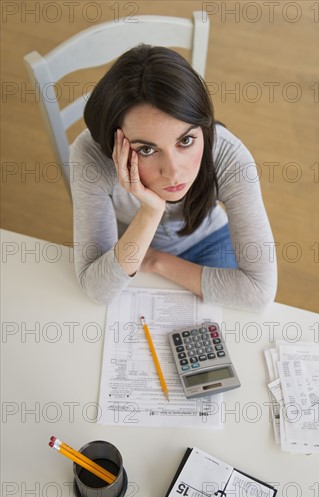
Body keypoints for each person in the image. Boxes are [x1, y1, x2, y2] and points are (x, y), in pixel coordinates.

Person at [69, 44, 277, 310]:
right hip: (130, 244)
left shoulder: (229, 156)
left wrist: (157, 261)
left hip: (207, 239)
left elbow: (258, 293)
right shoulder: (90, 157)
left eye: (186, 140)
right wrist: (150, 211)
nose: (174, 172)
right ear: (115, 143)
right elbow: (97, 290)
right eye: (147, 149)